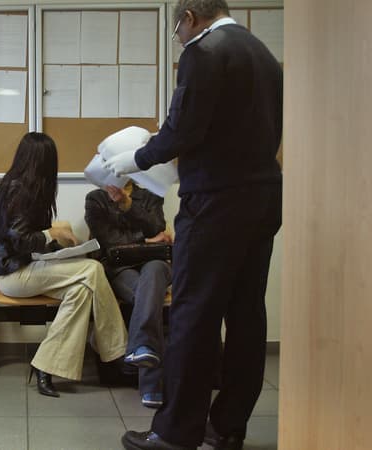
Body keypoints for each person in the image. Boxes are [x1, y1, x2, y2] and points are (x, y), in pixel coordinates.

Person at [104, 1, 283, 449]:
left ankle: (174, 432)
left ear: (188, 18)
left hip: (215, 202)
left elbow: (184, 129)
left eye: (177, 32)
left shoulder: (203, 52)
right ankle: (226, 428)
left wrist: (135, 158)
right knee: (246, 315)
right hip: (262, 198)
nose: (179, 40)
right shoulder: (263, 54)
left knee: (192, 315)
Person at [0, 132, 127, 398]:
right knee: (93, 270)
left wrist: (64, 247)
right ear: (42, 162)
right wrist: (54, 233)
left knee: (81, 291)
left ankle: (44, 367)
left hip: (26, 270)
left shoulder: (22, 187)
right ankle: (117, 352)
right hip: (14, 276)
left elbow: (30, 238)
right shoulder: (18, 190)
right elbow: (18, 241)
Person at [85, 181, 172, 409]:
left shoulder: (151, 196)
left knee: (153, 277)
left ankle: (140, 351)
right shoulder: (96, 199)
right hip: (119, 267)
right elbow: (107, 241)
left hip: (154, 262)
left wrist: (128, 205)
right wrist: (145, 240)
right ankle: (152, 384)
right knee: (149, 296)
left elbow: (157, 227)